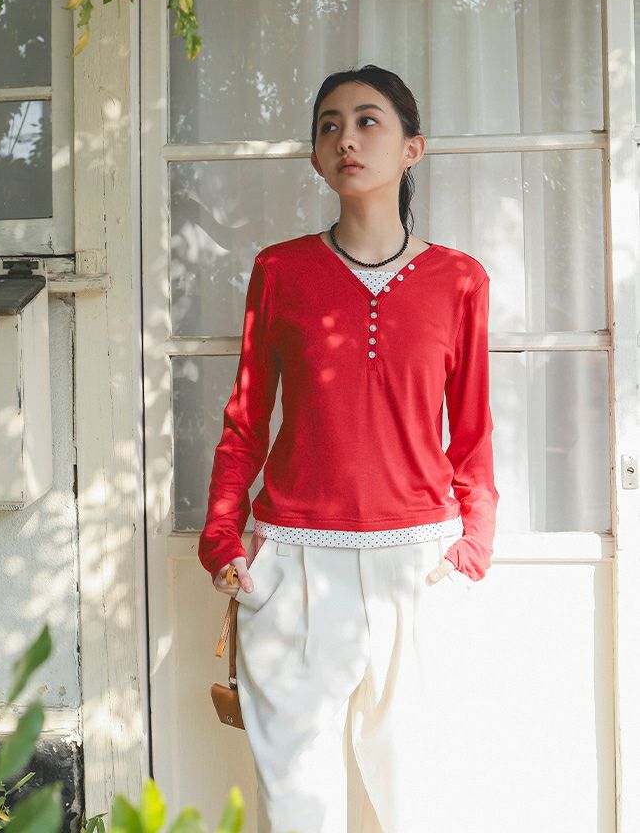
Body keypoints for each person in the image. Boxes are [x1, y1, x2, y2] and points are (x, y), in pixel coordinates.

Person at [198, 64, 499, 833]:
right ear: (315, 157)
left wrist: (474, 546)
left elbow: (472, 433)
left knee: (421, 802)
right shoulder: (280, 270)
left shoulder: (460, 280)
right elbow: (246, 420)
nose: (346, 139)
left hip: (419, 563)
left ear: (412, 149)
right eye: (329, 126)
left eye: (368, 121)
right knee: (298, 806)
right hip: (294, 561)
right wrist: (222, 533)